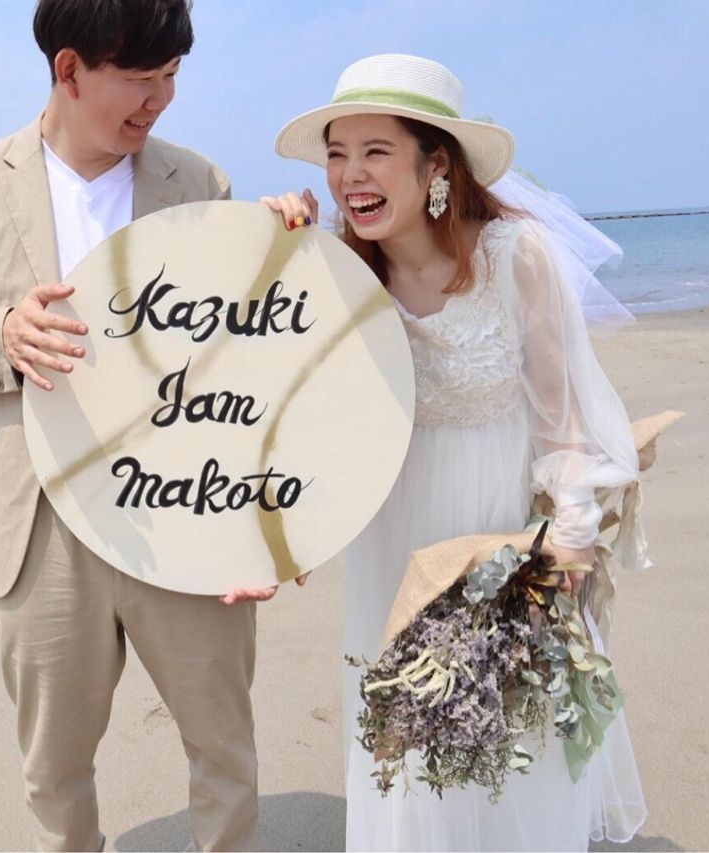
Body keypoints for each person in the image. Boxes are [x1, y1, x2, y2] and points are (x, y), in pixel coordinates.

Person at [0, 2, 279, 849]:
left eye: (172, 77)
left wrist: (285, 252)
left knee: (224, 748)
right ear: (69, 70)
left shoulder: (201, 183)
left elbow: (246, 360)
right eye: (142, 79)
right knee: (54, 769)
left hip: (184, 510)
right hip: (43, 522)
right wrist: (2, 334)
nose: (161, 100)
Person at [265, 54, 647, 850]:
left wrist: (570, 533)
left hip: (498, 531)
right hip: (396, 543)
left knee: (508, 733)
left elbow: (561, 417)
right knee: (409, 738)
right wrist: (275, 249)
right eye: (337, 154)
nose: (349, 174)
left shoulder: (516, 256)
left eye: (375, 151)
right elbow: (274, 392)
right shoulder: (340, 274)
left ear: (435, 163)